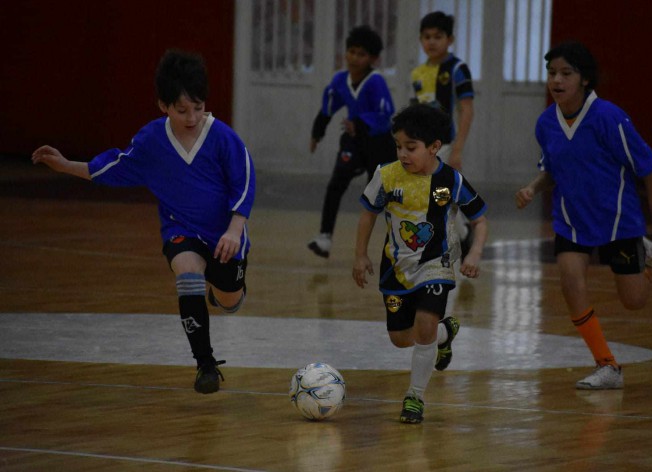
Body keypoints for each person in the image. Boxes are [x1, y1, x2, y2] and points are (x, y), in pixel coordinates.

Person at [31, 49, 256, 395]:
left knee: (230, 302)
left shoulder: (224, 138)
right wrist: (66, 165)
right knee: (187, 272)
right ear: (163, 106)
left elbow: (245, 182)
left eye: (198, 107)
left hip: (226, 234)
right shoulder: (152, 141)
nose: (192, 116)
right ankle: (205, 364)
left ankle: (221, 291)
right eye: (182, 110)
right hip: (179, 228)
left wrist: (234, 229)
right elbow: (112, 167)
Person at [515, 41, 652, 390]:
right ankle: (607, 365)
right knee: (571, 284)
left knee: (633, 301)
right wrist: (532, 188)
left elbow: (646, 164)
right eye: (551, 73)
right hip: (571, 219)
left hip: (618, 220)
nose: (556, 80)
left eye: (565, 73)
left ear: (584, 80)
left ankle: (643, 256)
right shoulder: (546, 123)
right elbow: (551, 170)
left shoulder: (608, 117)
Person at [353, 104, 488, 423]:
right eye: (398, 146)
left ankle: (414, 396)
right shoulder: (385, 176)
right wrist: (360, 254)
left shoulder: (450, 180)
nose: (402, 154)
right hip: (395, 269)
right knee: (401, 339)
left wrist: (474, 253)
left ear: (434, 147)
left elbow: (480, 220)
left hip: (435, 266)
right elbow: (367, 214)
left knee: (424, 325)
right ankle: (445, 333)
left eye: (410, 148)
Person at [308, 25, 396, 258]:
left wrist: (359, 123)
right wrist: (317, 132)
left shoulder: (376, 82)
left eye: (361, 54)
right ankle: (324, 237)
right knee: (336, 184)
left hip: (379, 144)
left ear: (373, 59)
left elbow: (385, 114)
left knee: (383, 198)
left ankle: (403, 243)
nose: (354, 58)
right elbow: (328, 107)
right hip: (354, 142)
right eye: (352, 51)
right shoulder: (339, 80)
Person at [411, 11, 475, 259]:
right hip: (423, 146)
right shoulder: (417, 74)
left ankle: (450, 241)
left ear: (450, 39)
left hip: (445, 144)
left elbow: (467, 109)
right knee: (437, 196)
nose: (432, 42)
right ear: (420, 40)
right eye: (427, 37)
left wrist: (458, 147)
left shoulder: (458, 69)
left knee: (437, 194)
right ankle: (462, 233)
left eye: (438, 36)